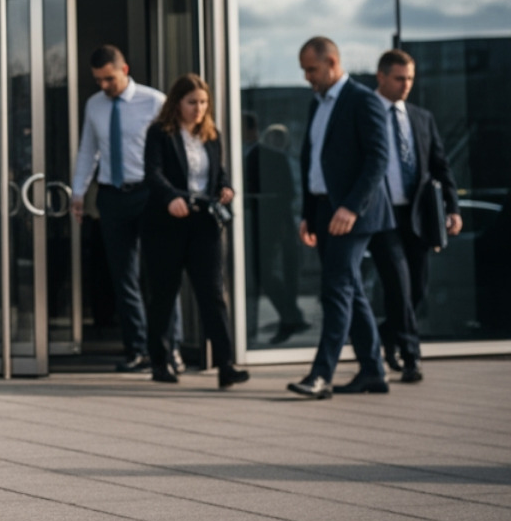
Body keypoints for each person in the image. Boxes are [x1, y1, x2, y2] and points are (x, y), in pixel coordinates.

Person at [287, 37, 392, 399]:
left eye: (311, 69)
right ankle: (373, 372)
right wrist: (308, 214)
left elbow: (378, 159)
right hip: (323, 210)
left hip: (352, 213)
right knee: (351, 290)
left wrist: (351, 206)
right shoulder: (317, 105)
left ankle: (321, 375)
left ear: (332, 63)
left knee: (336, 290)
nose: (306, 77)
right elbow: (312, 162)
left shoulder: (363, 101)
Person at [70, 45, 181, 373]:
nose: (104, 86)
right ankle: (138, 350)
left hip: (148, 194)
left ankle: (169, 349)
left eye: (109, 79)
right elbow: (88, 150)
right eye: (98, 80)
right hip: (112, 196)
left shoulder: (155, 101)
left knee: (160, 275)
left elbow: (172, 152)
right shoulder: (94, 105)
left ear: (124, 69)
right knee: (124, 278)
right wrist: (78, 193)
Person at [142, 74, 249, 389]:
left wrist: (225, 188)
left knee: (213, 294)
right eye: (192, 102)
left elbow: (221, 174)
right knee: (164, 293)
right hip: (166, 224)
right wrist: (171, 197)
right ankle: (160, 362)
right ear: (177, 103)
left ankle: (226, 365)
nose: (198, 109)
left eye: (203, 102)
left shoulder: (212, 135)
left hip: (204, 223)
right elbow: (153, 172)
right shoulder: (160, 133)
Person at [366, 50, 463, 384]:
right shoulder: (365, 113)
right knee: (397, 284)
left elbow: (440, 164)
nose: (406, 85)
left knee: (417, 289)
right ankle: (412, 358)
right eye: (399, 78)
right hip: (381, 214)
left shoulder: (421, 118)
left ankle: (385, 336)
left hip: (418, 214)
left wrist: (452, 207)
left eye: (410, 78)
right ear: (381, 77)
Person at [241, 114, 308, 344]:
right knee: (258, 273)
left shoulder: (273, 157)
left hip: (269, 225)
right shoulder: (230, 154)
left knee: (266, 273)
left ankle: (290, 317)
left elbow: (288, 192)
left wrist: (258, 200)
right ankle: (291, 316)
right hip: (245, 226)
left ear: (251, 129)